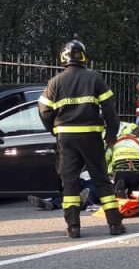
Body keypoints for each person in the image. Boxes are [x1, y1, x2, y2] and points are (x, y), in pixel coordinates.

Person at [38, 39, 125, 238]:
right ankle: (114, 224)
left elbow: (43, 109)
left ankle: (73, 227)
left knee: (70, 181)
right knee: (101, 178)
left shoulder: (55, 82)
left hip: (66, 138)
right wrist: (112, 133)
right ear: (84, 57)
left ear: (63, 58)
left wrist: (54, 128)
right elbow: (110, 110)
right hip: (91, 136)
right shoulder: (94, 78)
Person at [109, 125, 139, 197]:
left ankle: (120, 187)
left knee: (118, 176)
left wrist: (109, 172)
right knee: (135, 188)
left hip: (120, 171)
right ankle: (137, 188)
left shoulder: (118, 140)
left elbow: (108, 157)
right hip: (137, 172)